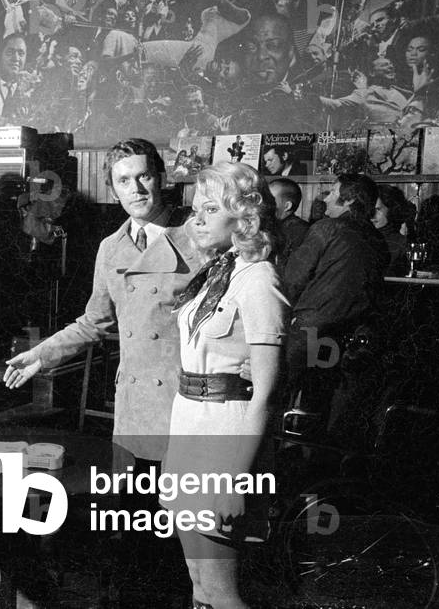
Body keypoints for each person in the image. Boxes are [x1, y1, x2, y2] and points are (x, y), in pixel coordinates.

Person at [3, 139, 201, 463]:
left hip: (183, 405)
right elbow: (93, 322)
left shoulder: (196, 237)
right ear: (113, 191)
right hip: (133, 407)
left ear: (162, 179)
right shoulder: (111, 247)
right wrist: (41, 355)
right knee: (130, 493)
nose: (136, 189)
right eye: (124, 181)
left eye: (144, 176)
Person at [162, 161, 287, 609]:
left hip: (225, 440)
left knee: (220, 591)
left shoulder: (259, 280)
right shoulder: (216, 273)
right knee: (199, 585)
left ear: (245, 217)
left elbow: (266, 395)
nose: (197, 219)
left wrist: (235, 479)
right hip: (190, 427)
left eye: (211, 209)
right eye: (196, 208)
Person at [282, 174, 389, 434]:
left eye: (332, 192)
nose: (326, 198)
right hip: (349, 337)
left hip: (309, 330)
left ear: (349, 200)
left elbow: (293, 279)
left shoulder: (326, 228)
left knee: (280, 397)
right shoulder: (378, 240)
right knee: (322, 404)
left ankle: (281, 451)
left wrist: (282, 315)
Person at [373, 184, 414, 275]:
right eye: (369, 209)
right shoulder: (360, 236)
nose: (372, 214)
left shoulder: (400, 243)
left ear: (391, 209)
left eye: (378, 209)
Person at [269, 178, 309, 268]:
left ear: (287, 206)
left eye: (270, 200)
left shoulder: (300, 232)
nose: (263, 204)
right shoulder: (268, 225)